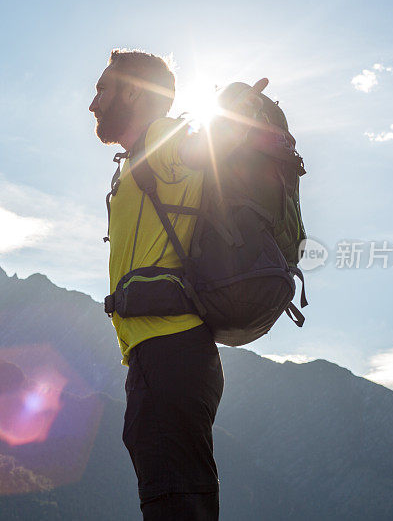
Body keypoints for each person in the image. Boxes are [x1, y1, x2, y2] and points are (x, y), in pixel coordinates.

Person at [88, 48, 268, 520]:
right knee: (175, 495)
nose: (93, 104)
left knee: (176, 502)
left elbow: (203, 146)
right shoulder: (140, 158)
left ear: (132, 91)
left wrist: (237, 115)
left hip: (170, 352)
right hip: (162, 356)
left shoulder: (165, 141)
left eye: (101, 90)